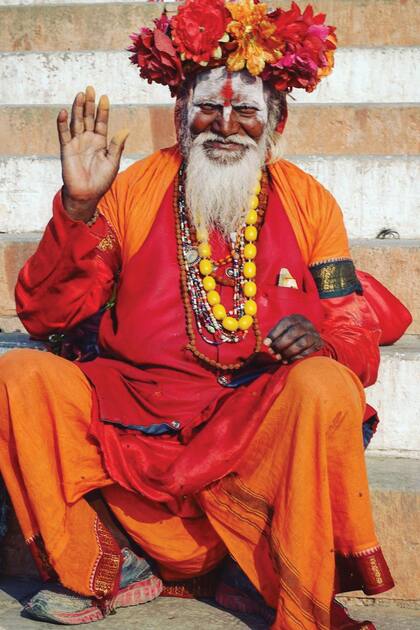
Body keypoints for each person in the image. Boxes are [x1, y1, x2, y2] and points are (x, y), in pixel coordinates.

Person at [0, 1, 397, 628]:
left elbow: (351, 316)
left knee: (326, 384)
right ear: (181, 113)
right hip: (134, 416)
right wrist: (76, 210)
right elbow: (49, 313)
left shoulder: (310, 202)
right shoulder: (134, 188)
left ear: (277, 121)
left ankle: (263, 572)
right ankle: (111, 566)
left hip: (253, 425)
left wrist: (321, 339)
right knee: (19, 376)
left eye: (245, 111)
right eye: (208, 108)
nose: (226, 125)